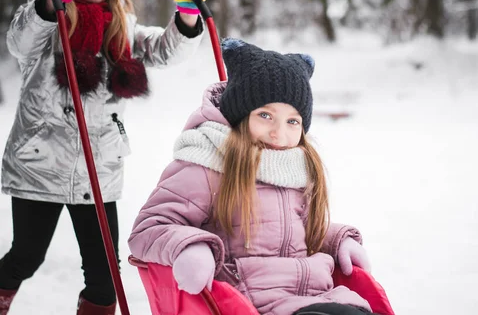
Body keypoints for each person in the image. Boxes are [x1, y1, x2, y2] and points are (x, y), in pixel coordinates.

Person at [0, 0, 210, 313]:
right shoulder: (46, 20)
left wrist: (185, 16)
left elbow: (166, 51)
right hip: (38, 166)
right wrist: (52, 0)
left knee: (104, 274)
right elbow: (19, 39)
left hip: (99, 168)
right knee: (26, 258)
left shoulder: (123, 28)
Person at [128, 38, 375, 315]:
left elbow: (304, 231)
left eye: (292, 121)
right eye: (265, 115)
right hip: (250, 301)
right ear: (239, 115)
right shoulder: (208, 163)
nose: (278, 133)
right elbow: (149, 228)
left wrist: (339, 239)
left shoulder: (295, 167)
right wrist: (189, 247)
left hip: (315, 294)